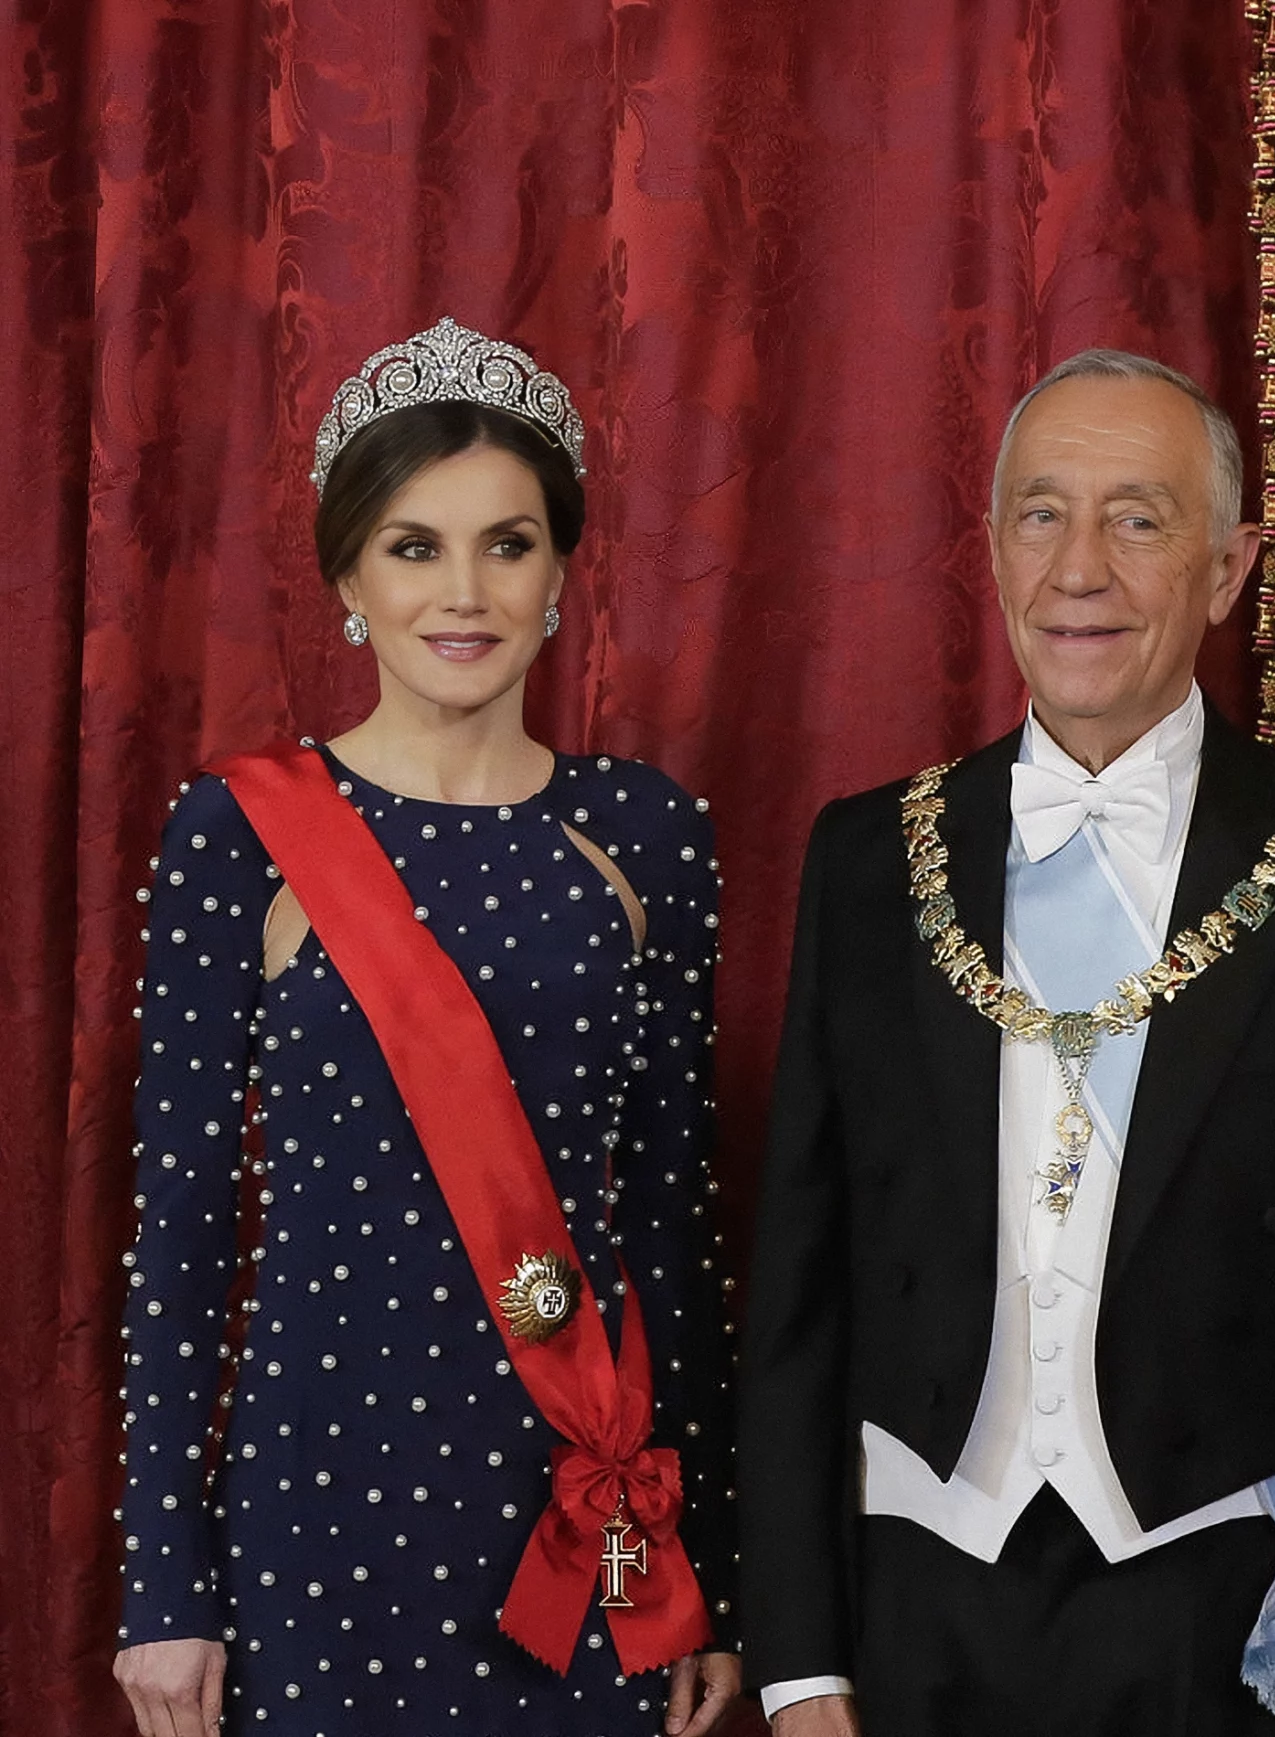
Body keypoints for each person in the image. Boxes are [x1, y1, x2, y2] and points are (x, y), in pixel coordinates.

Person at [738, 349, 1275, 1737]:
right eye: (1043, 513)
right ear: (992, 551)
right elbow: (799, 1288)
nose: (1079, 567)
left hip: (1225, 1607)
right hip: (915, 1593)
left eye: (1140, 518)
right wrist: (800, 1663)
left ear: (1227, 570)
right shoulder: (868, 859)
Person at [112, 318, 743, 1737]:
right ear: (346, 572)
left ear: (562, 570)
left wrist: (721, 1568)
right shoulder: (238, 837)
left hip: (580, 1513)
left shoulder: (645, 834)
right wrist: (165, 1585)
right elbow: (184, 1227)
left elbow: (674, 1223)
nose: (464, 592)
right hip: (316, 1511)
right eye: (414, 547)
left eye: (507, 545)